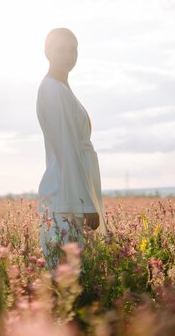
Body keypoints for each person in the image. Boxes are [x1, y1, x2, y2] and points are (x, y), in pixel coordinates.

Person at [36, 27, 108, 269]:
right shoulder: (52, 89)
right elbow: (67, 148)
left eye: (73, 49)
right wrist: (84, 203)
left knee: (76, 274)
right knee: (66, 275)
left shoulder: (62, 88)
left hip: (73, 191)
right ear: (47, 52)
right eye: (60, 49)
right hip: (66, 196)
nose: (68, 55)